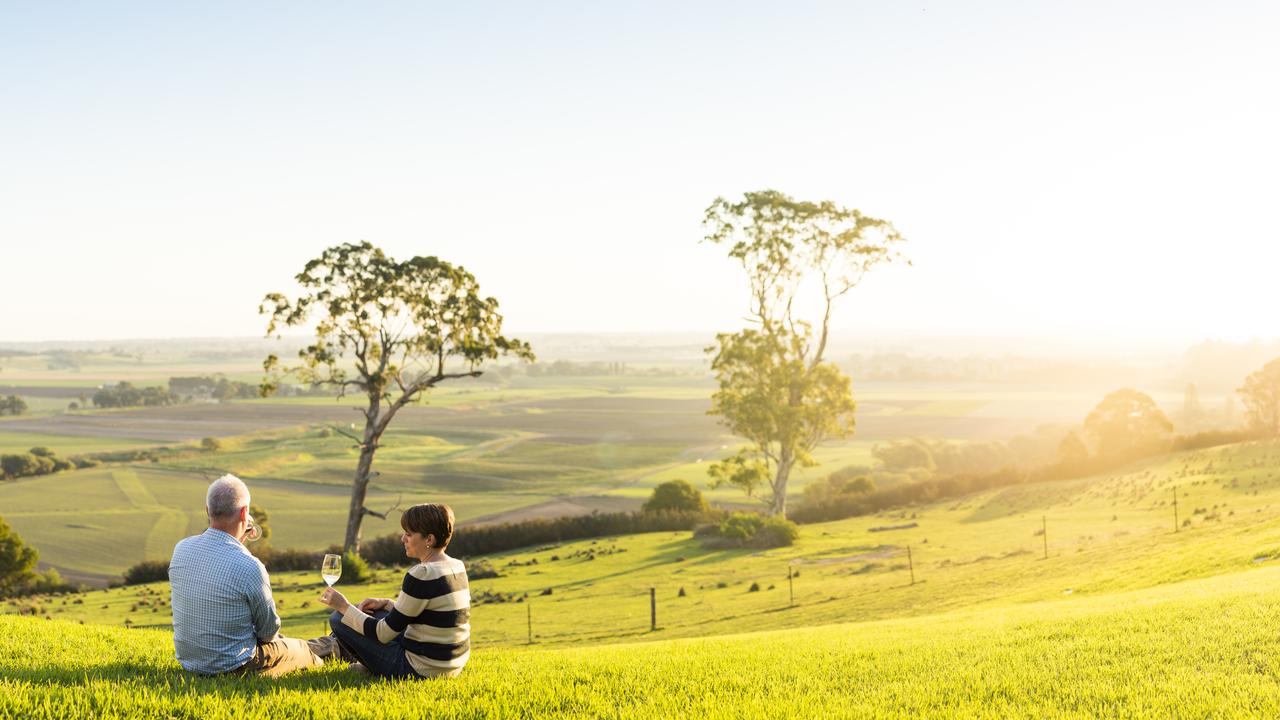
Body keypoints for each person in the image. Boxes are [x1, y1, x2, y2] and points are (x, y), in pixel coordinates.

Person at [169, 474, 325, 677]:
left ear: (208, 510)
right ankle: (331, 657)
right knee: (302, 651)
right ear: (245, 513)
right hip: (235, 665)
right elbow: (269, 632)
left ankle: (330, 644)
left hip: (191, 662)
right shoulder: (250, 565)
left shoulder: (181, 548)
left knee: (293, 644)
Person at [316, 503, 470, 679]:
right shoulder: (456, 565)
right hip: (452, 664)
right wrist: (388, 604)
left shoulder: (422, 573)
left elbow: (383, 633)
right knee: (376, 611)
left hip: (419, 670)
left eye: (409, 534)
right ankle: (371, 662)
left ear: (429, 540)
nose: (402, 539)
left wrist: (343, 606)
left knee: (339, 619)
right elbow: (432, 615)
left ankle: (372, 664)